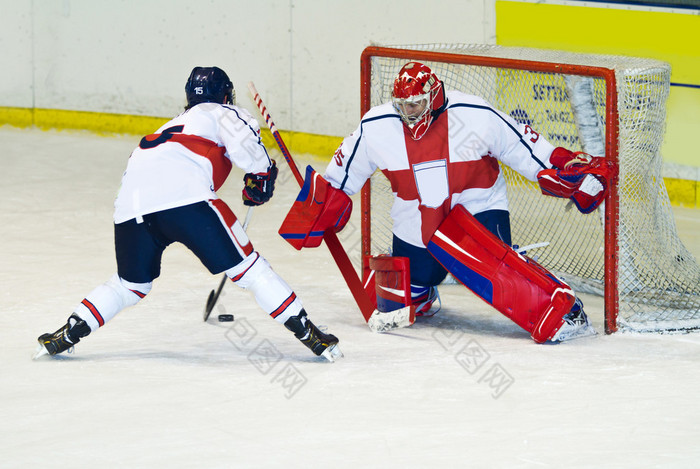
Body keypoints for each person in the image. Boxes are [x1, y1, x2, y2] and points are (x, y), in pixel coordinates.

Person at [289, 61, 614, 342]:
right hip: (416, 223)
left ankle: (557, 305)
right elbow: (340, 176)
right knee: (404, 299)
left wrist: (564, 169)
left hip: (476, 210)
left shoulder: (475, 113)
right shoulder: (377, 125)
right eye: (402, 106)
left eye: (415, 105)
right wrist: (322, 203)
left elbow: (527, 149)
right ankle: (423, 289)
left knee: (496, 274)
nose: (408, 114)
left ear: (433, 97)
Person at [35, 66, 342, 362]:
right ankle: (309, 334)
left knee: (129, 285)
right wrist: (262, 176)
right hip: (189, 202)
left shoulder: (170, 124)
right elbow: (250, 156)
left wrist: (256, 181)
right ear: (226, 96)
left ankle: (68, 331)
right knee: (250, 270)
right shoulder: (226, 113)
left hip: (131, 207)